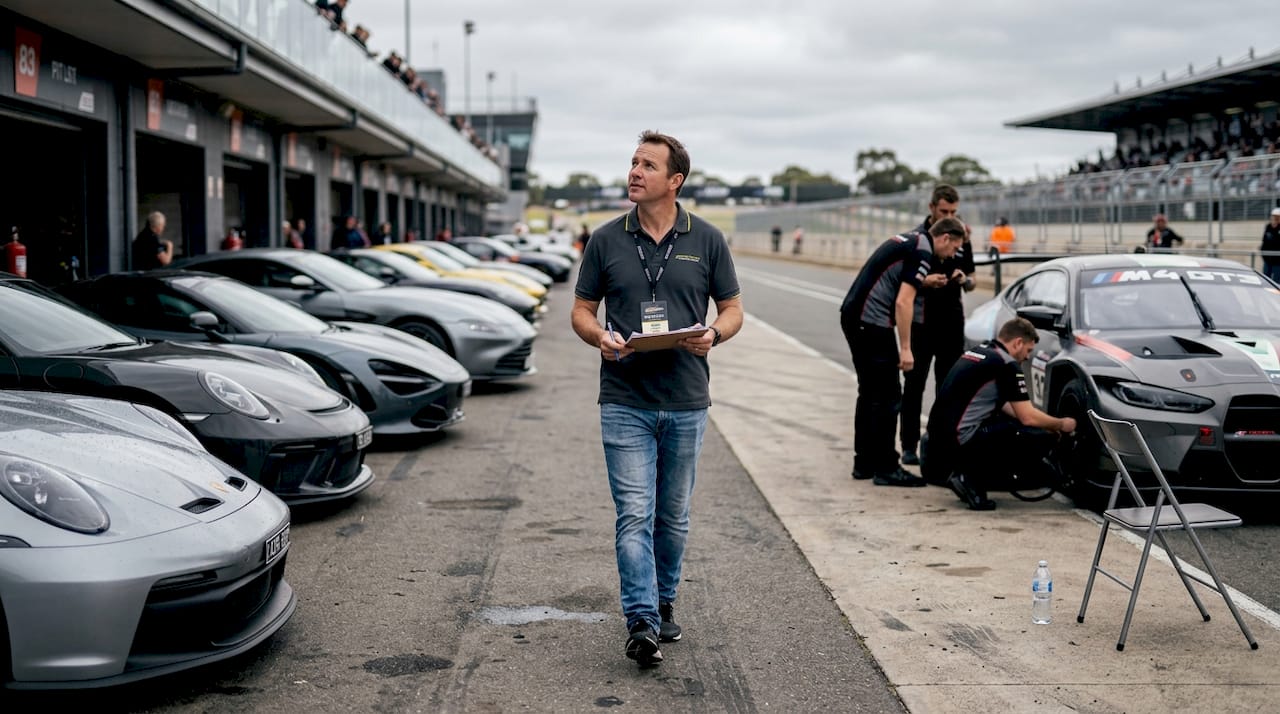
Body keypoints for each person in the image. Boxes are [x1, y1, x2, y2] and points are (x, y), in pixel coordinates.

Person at [571, 130, 742, 668]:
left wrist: (713, 334)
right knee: (633, 514)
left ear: (675, 181)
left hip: (688, 399)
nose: (635, 171)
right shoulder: (604, 239)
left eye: (648, 165)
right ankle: (641, 618)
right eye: (633, 162)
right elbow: (580, 311)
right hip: (624, 399)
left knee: (672, 516)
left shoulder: (708, 238)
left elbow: (734, 309)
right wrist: (599, 336)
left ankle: (665, 599)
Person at [839, 216, 967, 487]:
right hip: (870, 321)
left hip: (854, 315)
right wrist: (906, 348)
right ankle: (886, 467)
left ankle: (863, 463)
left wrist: (925, 282)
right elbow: (903, 302)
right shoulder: (923, 250)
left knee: (870, 392)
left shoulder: (911, 240)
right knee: (889, 395)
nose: (952, 255)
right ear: (945, 238)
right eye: (954, 248)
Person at [922, 317, 1076, 511]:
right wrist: (1061, 424)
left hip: (937, 440)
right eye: (1028, 350)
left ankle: (966, 474)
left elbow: (1006, 406)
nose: (1027, 357)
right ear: (1018, 342)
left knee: (1012, 423)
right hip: (960, 440)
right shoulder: (1007, 364)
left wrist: (1045, 422)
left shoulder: (980, 352)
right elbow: (1027, 417)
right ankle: (969, 478)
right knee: (1028, 435)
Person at [899, 186, 975, 466]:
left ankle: (939, 444)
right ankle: (908, 445)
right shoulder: (918, 239)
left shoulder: (962, 236)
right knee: (914, 385)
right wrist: (926, 281)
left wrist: (963, 279)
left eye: (954, 211)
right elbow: (905, 286)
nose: (950, 216)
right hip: (922, 321)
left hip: (952, 321)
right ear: (932, 208)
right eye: (944, 211)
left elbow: (973, 280)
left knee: (948, 387)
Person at [1261, 207, 1280, 283]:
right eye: (1273, 216)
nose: (1274, 219)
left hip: (1278, 261)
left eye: (1276, 217)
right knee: (1265, 279)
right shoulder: (1268, 227)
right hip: (1267, 260)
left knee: (1276, 281)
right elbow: (1264, 241)